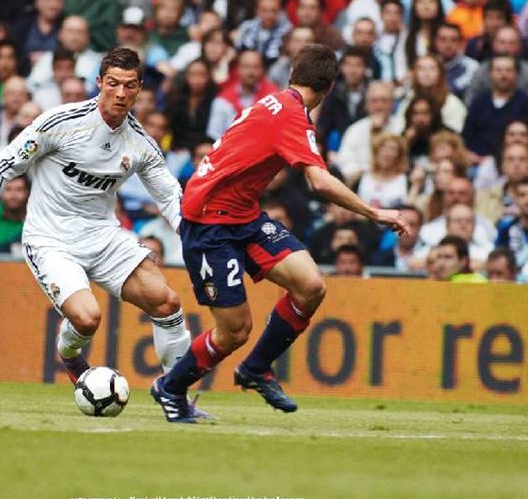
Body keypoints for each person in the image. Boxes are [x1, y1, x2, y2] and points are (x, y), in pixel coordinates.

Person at [151, 44, 409, 422]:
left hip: (243, 215)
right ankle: (171, 387)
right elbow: (318, 182)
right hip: (209, 223)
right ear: (329, 86)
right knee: (235, 330)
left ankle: (256, 368)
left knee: (310, 285)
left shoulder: (276, 104)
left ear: (292, 73)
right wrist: (373, 212)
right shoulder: (291, 116)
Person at [0, 46, 205, 417]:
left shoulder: (140, 143)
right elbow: (5, 163)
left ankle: (175, 395)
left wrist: (198, 243)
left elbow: (172, 199)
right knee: (88, 318)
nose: (120, 94)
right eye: (113, 84)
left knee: (167, 301)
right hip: (50, 238)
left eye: (129, 86)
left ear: (140, 88)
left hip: (102, 235)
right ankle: (70, 352)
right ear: (99, 84)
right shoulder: (61, 122)